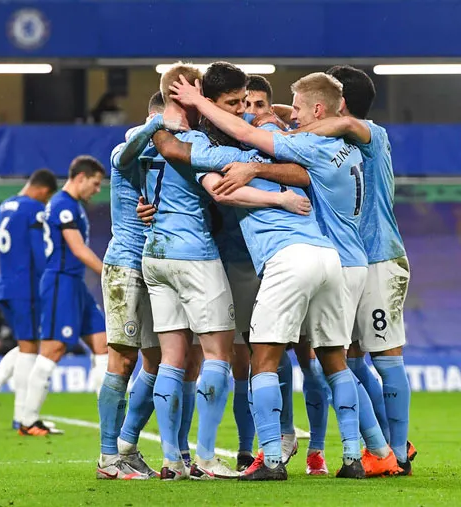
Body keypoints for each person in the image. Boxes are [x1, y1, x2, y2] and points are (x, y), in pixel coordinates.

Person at [172, 71, 392, 479]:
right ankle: (353, 457)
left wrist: (187, 109)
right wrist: (276, 135)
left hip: (292, 259)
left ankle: (271, 458)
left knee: (264, 360)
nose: (252, 113)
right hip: (334, 258)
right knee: (334, 360)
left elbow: (191, 150)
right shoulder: (334, 147)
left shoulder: (258, 150)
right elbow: (298, 166)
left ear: (319, 110)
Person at [121, 63, 311, 480]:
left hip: (156, 254)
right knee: (220, 356)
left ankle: (172, 460)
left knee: (172, 358)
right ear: (191, 95)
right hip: (196, 254)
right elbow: (218, 187)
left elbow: (127, 163)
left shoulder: (144, 140)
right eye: (233, 103)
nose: (242, 109)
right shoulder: (194, 142)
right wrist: (278, 199)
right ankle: (206, 457)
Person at [289, 65, 416, 475]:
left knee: (385, 356)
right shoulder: (338, 141)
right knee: (349, 359)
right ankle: (380, 442)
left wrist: (292, 133)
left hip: (381, 258)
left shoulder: (371, 134)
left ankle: (397, 451)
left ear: (340, 104)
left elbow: (345, 123)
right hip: (351, 262)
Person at [96, 92, 165, 480]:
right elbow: (125, 155)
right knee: (122, 358)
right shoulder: (129, 147)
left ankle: (127, 446)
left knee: (160, 361)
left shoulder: (170, 152)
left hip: (158, 265)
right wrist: (156, 125)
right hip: (126, 265)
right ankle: (108, 459)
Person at [18, 156, 109, 437]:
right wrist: (109, 272)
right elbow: (78, 249)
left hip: (75, 283)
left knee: (103, 343)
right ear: (80, 178)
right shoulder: (62, 205)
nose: (97, 190)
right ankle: (27, 420)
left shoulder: (73, 206)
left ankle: (108, 419)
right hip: (60, 283)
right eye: (94, 184)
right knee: (53, 350)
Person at [0, 169, 58, 428]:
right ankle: (22, 418)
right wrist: (51, 281)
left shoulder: (4, 206)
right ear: (43, 191)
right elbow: (39, 251)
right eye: (46, 199)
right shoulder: (33, 208)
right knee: (30, 349)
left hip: (5, 284)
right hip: (26, 287)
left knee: (25, 345)